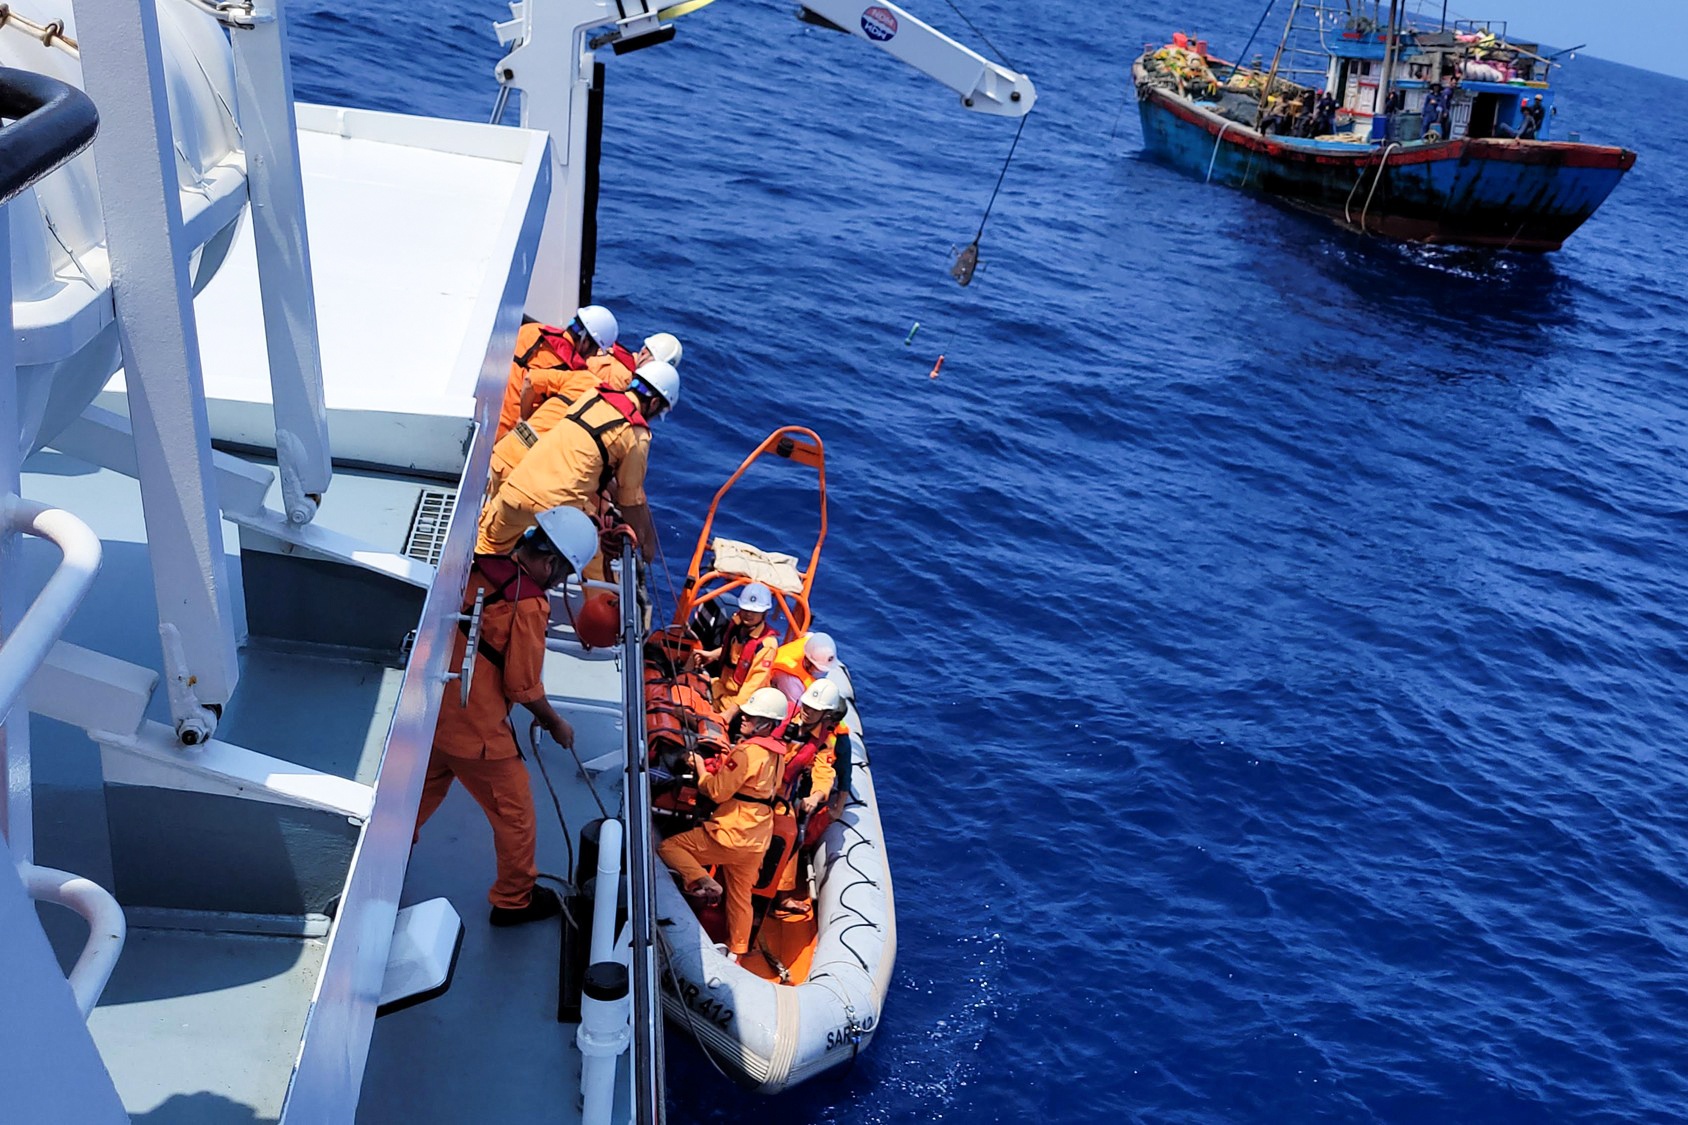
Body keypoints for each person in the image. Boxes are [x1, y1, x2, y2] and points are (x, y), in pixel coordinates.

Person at [415, 505, 600, 925]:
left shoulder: (479, 567)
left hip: (431, 715)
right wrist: (555, 722)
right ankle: (514, 900)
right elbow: (522, 685)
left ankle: (383, 862)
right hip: (477, 733)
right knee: (516, 816)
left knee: (412, 802)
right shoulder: (529, 604)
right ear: (551, 564)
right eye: (563, 574)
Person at [475, 361, 680, 566]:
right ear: (653, 404)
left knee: (484, 553)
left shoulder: (592, 395)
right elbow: (630, 500)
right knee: (587, 559)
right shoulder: (637, 435)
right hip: (554, 511)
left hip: (516, 488)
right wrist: (645, 544)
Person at [656, 687, 791, 960]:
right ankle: (737, 954)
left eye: (751, 717)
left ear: (766, 724)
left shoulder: (747, 753)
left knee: (670, 847)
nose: (744, 718)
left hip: (731, 833)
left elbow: (716, 792)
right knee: (741, 898)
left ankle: (702, 880)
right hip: (756, 840)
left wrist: (701, 768)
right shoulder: (777, 756)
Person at [488, 334, 683, 496]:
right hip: (546, 454)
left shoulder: (609, 358)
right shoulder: (620, 380)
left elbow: (534, 381)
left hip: (525, 434)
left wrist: (526, 418)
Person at [767, 679, 846, 921]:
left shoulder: (824, 743)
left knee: (791, 834)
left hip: (781, 795)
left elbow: (824, 772)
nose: (807, 710)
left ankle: (779, 894)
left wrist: (817, 795)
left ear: (826, 715)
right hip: (754, 780)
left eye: (814, 708)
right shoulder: (780, 713)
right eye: (807, 704)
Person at [496, 306, 631, 440]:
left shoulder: (529, 329)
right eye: (595, 350)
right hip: (505, 438)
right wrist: (523, 419)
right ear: (585, 342)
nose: (593, 355)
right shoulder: (572, 373)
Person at [695, 582, 780, 719]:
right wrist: (710, 655)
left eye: (755, 611)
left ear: (764, 613)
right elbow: (734, 654)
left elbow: (754, 684)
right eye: (746, 609)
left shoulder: (766, 645)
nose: (749, 614)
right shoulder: (738, 626)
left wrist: (730, 713)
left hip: (741, 705)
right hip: (720, 688)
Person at [769, 630, 837, 702]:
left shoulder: (810, 640)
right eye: (819, 669)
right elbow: (798, 709)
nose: (823, 673)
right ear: (808, 662)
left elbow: (809, 635)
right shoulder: (791, 682)